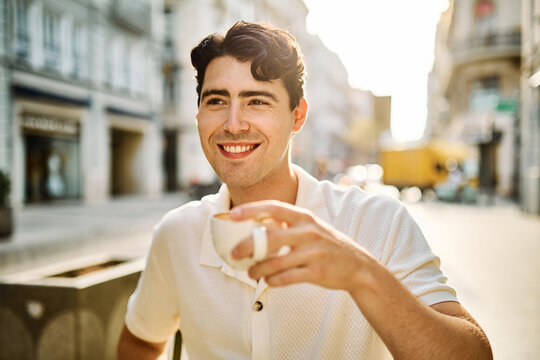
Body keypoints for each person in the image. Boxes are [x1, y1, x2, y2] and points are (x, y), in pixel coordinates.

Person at [118, 21, 492, 359]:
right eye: (217, 101)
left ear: (298, 116)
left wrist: (361, 274)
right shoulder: (176, 233)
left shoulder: (377, 221)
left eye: (256, 101)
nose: (233, 124)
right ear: (199, 115)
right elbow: (141, 341)